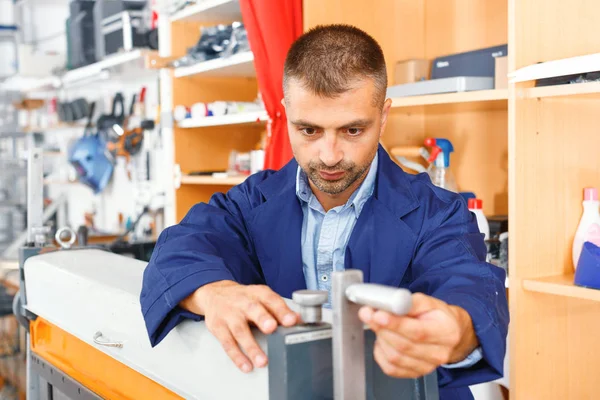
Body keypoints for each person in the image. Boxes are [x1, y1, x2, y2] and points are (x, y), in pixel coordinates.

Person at [140, 24, 509, 400]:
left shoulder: (439, 212)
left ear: (383, 116)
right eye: (309, 130)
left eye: (352, 130)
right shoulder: (252, 201)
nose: (329, 155)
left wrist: (455, 329)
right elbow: (180, 247)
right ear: (286, 114)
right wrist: (213, 293)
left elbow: (469, 286)